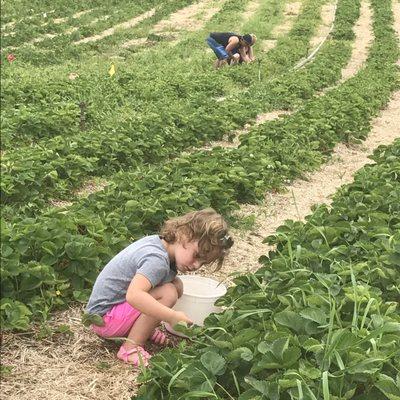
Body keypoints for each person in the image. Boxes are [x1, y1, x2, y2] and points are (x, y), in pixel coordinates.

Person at [85, 208, 233, 367]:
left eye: (203, 262)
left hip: (108, 313)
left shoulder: (160, 244)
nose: (196, 265)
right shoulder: (156, 260)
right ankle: (130, 348)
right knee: (168, 293)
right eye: (196, 255)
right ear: (184, 235)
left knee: (176, 285)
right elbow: (134, 295)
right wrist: (171, 316)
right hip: (104, 320)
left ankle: (141, 329)